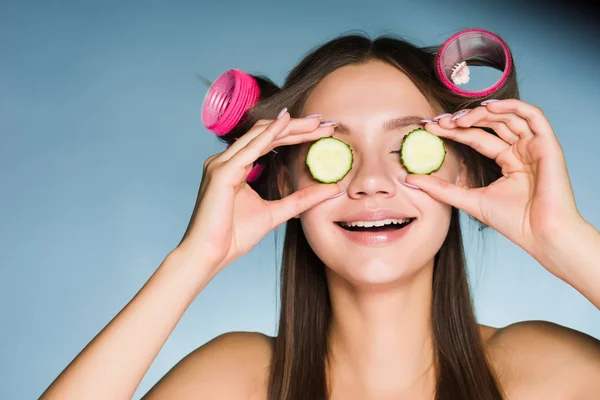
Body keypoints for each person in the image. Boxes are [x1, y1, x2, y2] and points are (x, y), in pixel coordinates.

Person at [41, 32, 600, 400]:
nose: (371, 182)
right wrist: (193, 260)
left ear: (463, 174)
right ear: (283, 180)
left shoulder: (542, 371)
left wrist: (565, 240)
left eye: (409, 145)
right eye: (334, 153)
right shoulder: (236, 379)